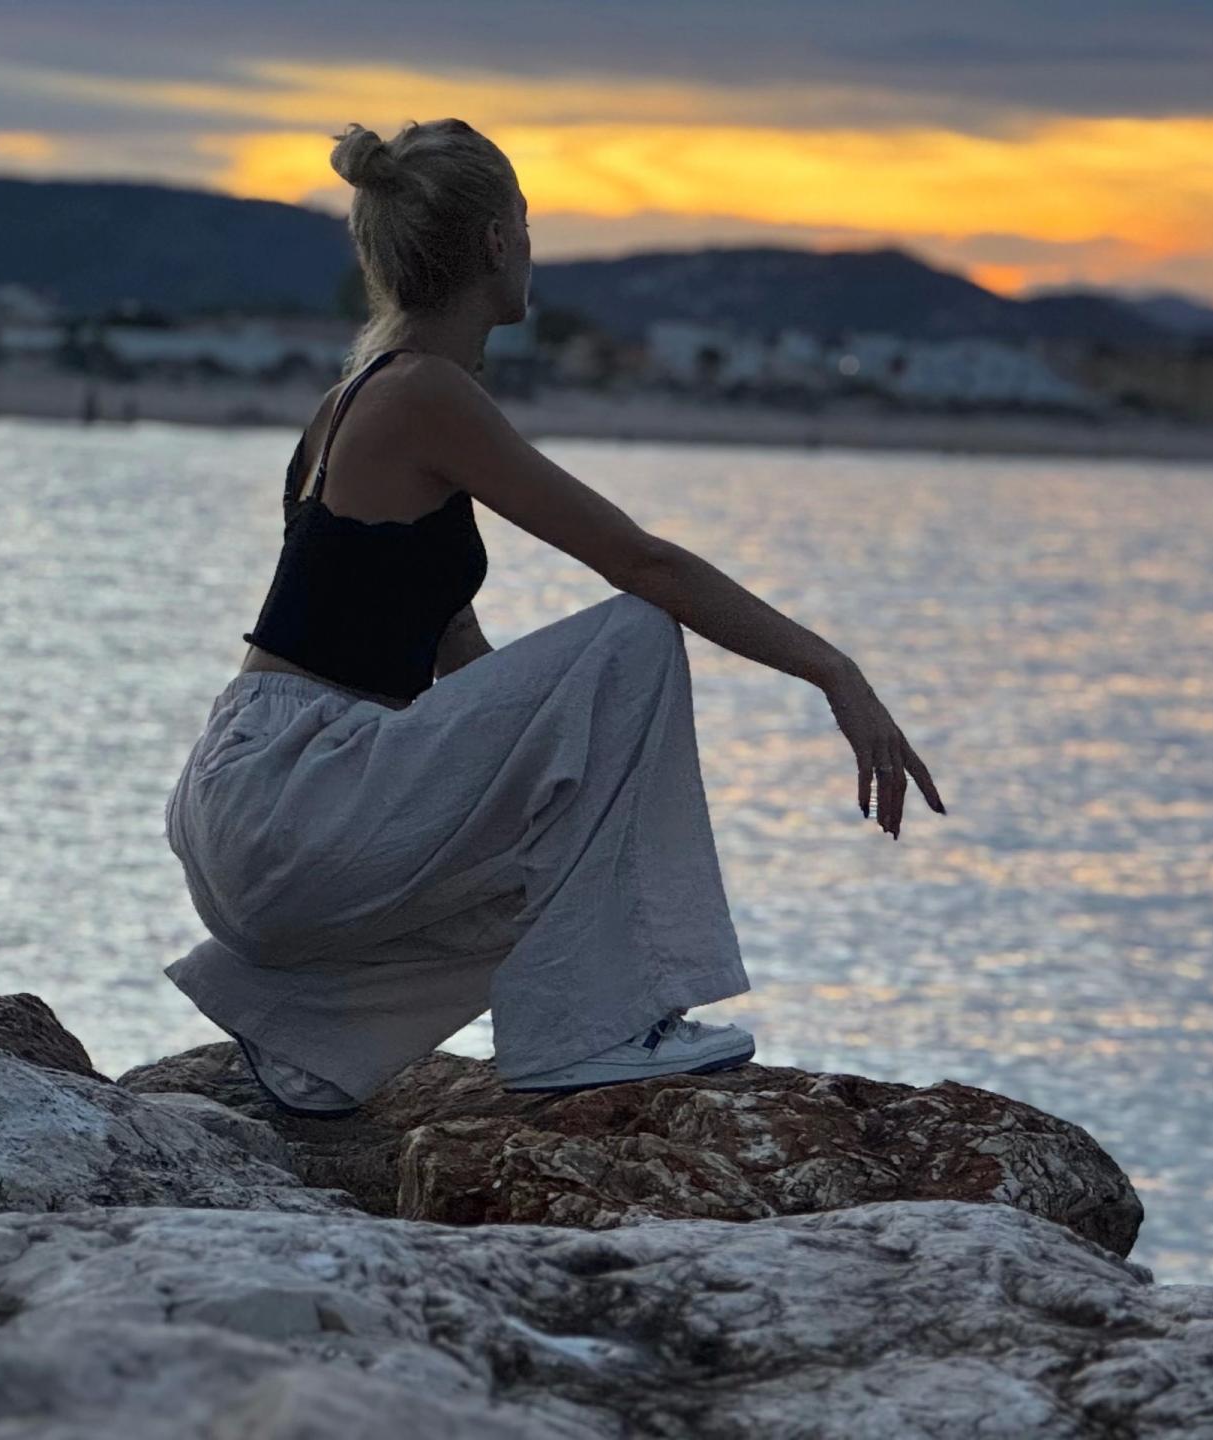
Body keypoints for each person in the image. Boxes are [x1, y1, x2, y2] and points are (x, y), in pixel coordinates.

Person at [163, 118, 945, 1120]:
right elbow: (643, 563)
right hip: (295, 796)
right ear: (498, 241)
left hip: (259, 807)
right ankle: (588, 1031)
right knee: (637, 633)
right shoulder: (423, 394)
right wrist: (835, 671)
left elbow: (459, 657)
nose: (532, 249)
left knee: (557, 831)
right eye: (526, 227)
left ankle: (308, 1031)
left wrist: (567, 790)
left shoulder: (354, 405)